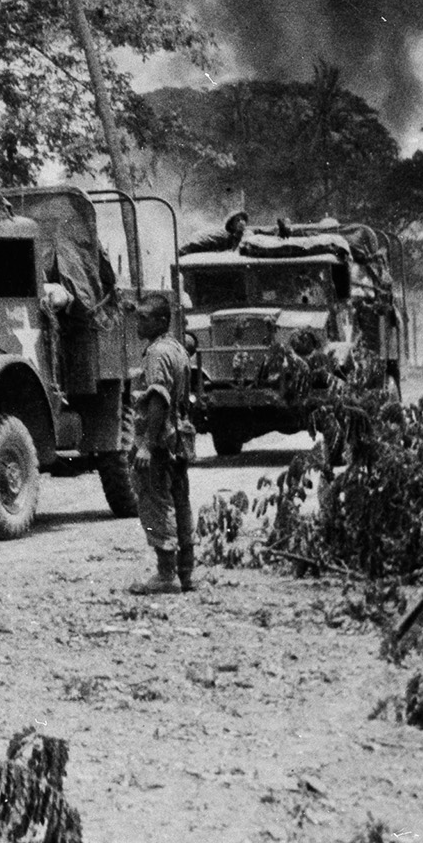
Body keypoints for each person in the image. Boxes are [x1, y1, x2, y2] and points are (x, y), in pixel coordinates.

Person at [128, 293, 195, 594]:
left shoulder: (157, 354)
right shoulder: (177, 349)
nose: (138, 322)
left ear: (162, 321)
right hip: (179, 438)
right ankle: (186, 572)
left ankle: (166, 574)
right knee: (181, 502)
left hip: (160, 441)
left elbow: (158, 400)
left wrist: (146, 444)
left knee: (156, 502)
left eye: (144, 317)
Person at [178, 211, 249, 256]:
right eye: (237, 220)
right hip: (189, 248)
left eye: (243, 219)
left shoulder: (242, 234)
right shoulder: (225, 237)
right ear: (231, 225)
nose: (241, 222)